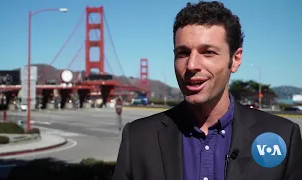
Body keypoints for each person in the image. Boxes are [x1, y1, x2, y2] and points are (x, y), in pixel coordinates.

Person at [112, 1, 302, 180]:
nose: (192, 65)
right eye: (183, 53)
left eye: (208, 52)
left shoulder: (282, 136)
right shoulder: (138, 138)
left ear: (235, 60)